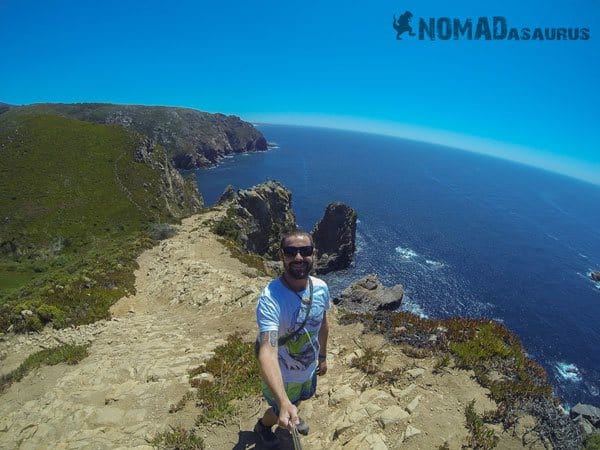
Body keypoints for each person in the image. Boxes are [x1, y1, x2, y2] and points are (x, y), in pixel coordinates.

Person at [254, 230, 331, 447]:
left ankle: (292, 409)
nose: (298, 258)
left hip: (307, 371)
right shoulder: (270, 298)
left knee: (298, 401)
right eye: (291, 251)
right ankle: (263, 426)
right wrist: (283, 401)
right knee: (281, 409)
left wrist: (323, 356)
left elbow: (322, 324)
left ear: (314, 254)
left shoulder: (321, 288)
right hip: (282, 377)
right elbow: (267, 350)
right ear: (282, 255)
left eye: (305, 251)